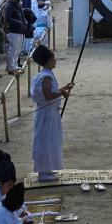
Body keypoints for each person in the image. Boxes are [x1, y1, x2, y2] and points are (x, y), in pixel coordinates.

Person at [31, 44, 72, 183]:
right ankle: (43, 172)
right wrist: (62, 92)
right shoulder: (46, 77)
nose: (55, 60)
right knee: (45, 141)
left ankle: (47, 169)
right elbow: (48, 95)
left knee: (50, 141)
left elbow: (50, 92)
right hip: (46, 114)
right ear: (48, 60)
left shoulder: (46, 75)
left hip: (49, 113)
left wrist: (64, 88)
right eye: (53, 58)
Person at [4, 0, 27, 74]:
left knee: (18, 50)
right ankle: (11, 68)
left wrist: (24, 21)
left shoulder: (18, 4)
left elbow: (21, 15)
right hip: (13, 31)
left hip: (20, 31)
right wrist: (19, 22)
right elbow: (7, 18)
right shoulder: (9, 5)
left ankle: (15, 66)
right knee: (13, 50)